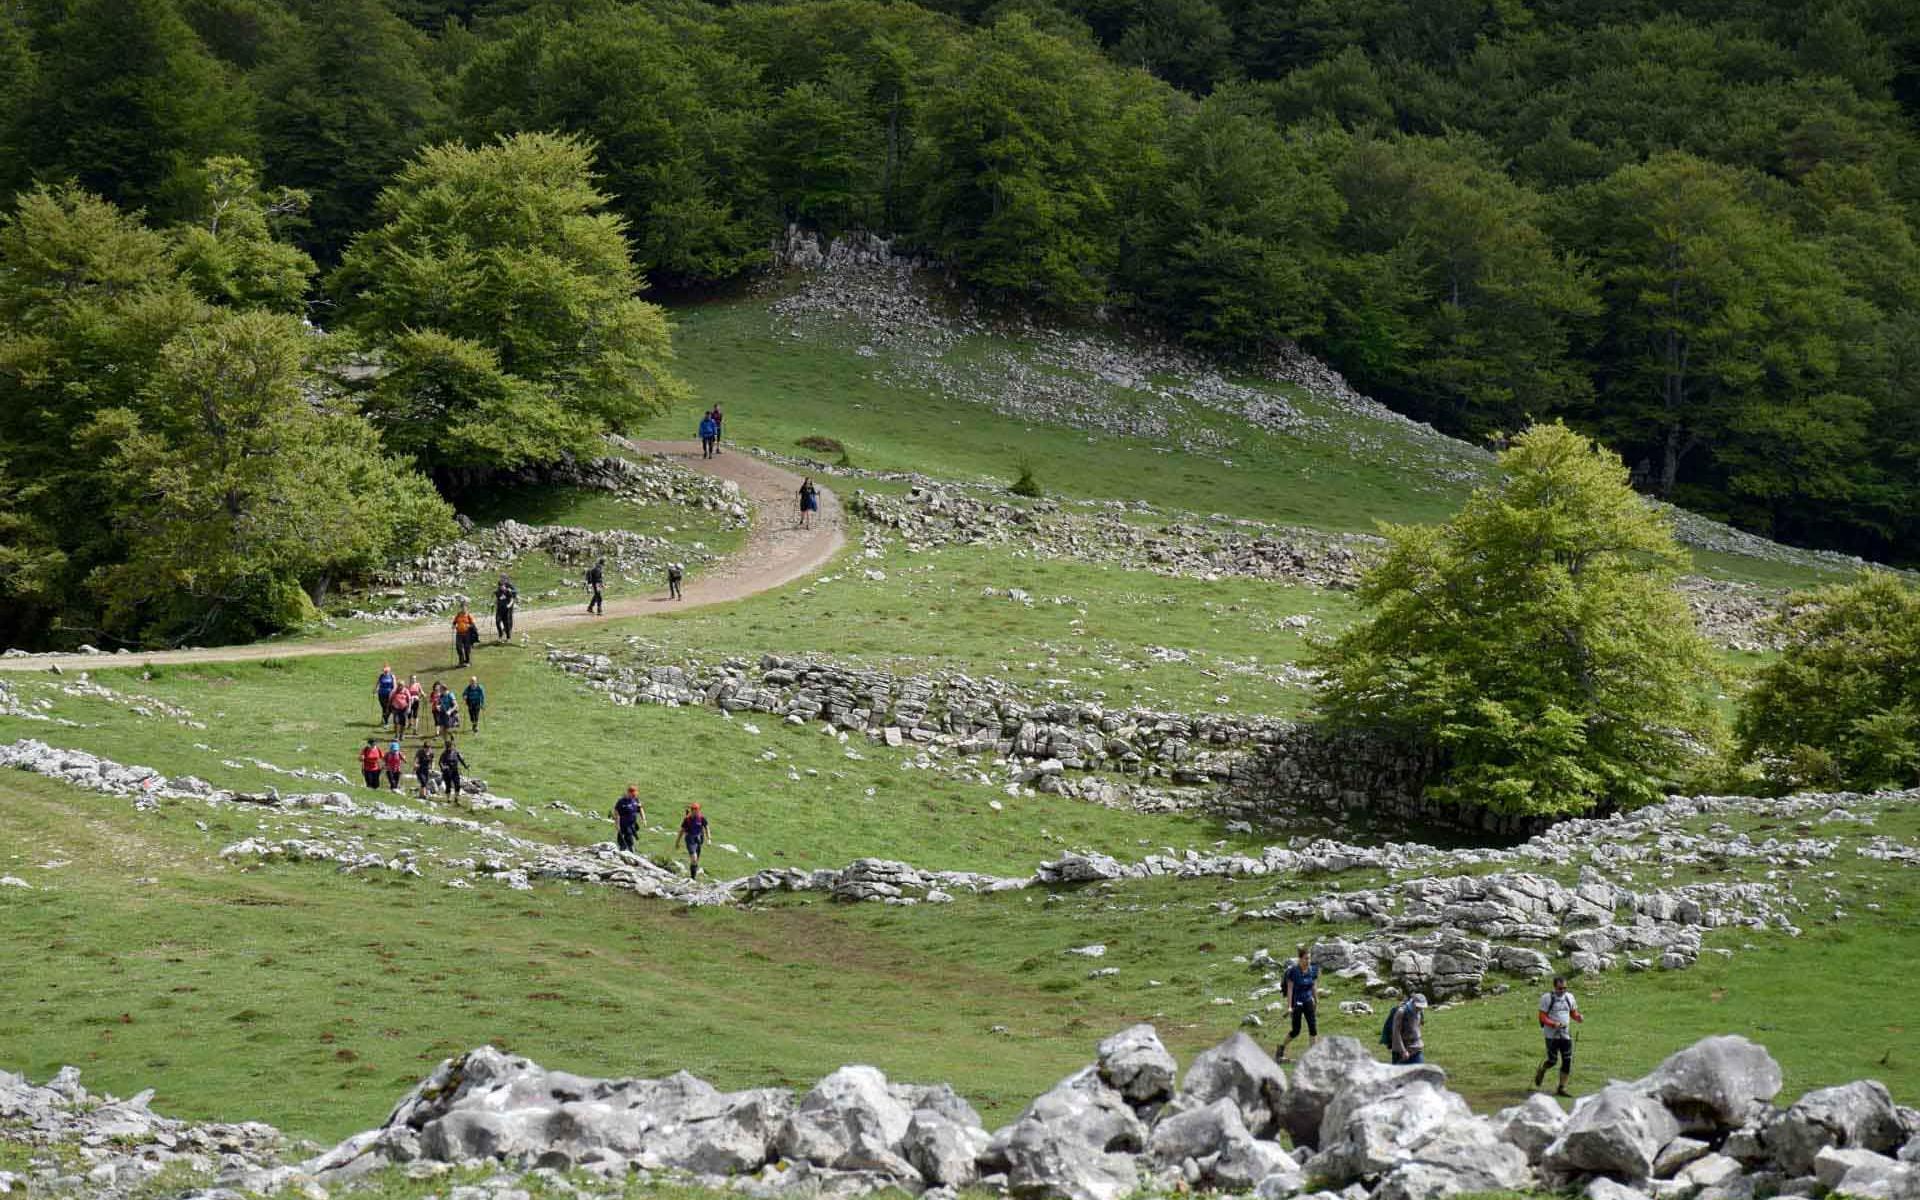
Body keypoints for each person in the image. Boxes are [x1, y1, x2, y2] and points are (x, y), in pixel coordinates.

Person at [1535, 977, 1583, 1096]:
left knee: (1567, 1060)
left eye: (1565, 988)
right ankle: (1542, 1070)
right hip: (1551, 1035)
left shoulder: (1569, 997)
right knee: (1553, 1060)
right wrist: (1553, 1024)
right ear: (1554, 987)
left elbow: (1572, 1012)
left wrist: (1578, 1017)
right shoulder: (1547, 998)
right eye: (1560, 988)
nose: (1563, 990)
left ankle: (1561, 1088)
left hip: (1565, 1034)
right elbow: (1542, 1016)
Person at [1275, 944, 1319, 1062]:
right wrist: (1289, 1006)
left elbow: (1313, 985)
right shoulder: (1293, 971)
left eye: (1309, 958)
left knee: (1313, 1028)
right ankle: (1281, 1048)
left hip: (1308, 1000)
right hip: (1297, 1002)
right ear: (1300, 959)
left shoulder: (1313, 969)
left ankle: (1313, 1056)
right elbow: (1290, 989)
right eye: (1306, 958)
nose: (1308, 960)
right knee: (1296, 1030)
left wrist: (1316, 1000)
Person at [1390, 993, 1429, 1065]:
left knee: (1420, 1073)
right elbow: (1396, 1033)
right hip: (1402, 1050)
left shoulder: (1420, 1011)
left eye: (1422, 1007)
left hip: (1416, 1048)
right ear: (1413, 1003)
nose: (1420, 1008)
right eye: (1418, 1007)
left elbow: (1418, 1026)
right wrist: (1403, 1051)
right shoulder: (1401, 1012)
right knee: (1398, 1074)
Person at [675, 802, 708, 879]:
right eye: (694, 810)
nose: (696, 812)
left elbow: (706, 827)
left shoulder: (701, 818)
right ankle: (692, 878)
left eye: (697, 810)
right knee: (694, 858)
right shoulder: (687, 819)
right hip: (690, 839)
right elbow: (682, 831)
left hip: (699, 838)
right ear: (692, 810)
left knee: (696, 859)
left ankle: (693, 874)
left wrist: (708, 838)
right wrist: (677, 842)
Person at [612, 786, 644, 854]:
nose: (634, 796)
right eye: (632, 795)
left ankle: (628, 852)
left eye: (635, 795)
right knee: (626, 840)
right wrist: (617, 824)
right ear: (628, 793)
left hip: (632, 824)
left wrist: (643, 819)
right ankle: (627, 853)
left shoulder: (636, 800)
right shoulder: (621, 802)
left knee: (629, 839)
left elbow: (640, 808)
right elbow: (616, 812)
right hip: (624, 825)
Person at [493, 575, 518, 641]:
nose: (502, 579)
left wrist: (510, 591)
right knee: (498, 621)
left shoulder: (509, 584)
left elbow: (515, 592)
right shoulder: (499, 586)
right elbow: (497, 596)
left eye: (503, 578)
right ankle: (501, 634)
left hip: (508, 604)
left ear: (506, 579)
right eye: (501, 578)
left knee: (508, 619)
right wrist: (494, 603)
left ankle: (508, 632)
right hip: (500, 607)